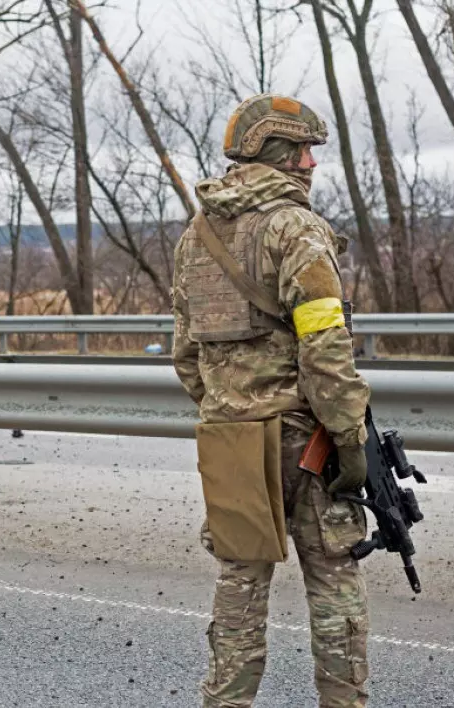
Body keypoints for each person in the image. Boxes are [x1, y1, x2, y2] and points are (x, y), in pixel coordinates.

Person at [171, 94, 372, 707]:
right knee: (334, 576)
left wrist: (229, 405)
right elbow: (324, 345)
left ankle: (224, 702)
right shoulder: (296, 228)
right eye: (305, 149)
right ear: (277, 152)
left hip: (232, 436)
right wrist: (347, 437)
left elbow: (186, 352)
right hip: (301, 438)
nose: (312, 163)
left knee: (239, 581)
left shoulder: (196, 234)